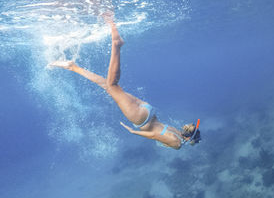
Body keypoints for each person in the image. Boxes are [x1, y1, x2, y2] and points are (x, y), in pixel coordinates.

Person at [50, 18, 201, 149]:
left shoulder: (178, 133)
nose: (194, 144)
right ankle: (116, 45)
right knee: (112, 85)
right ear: (190, 138)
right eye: (195, 142)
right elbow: (155, 135)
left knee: (108, 87)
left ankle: (73, 67)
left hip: (148, 110)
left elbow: (159, 131)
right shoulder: (177, 143)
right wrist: (134, 132)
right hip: (140, 119)